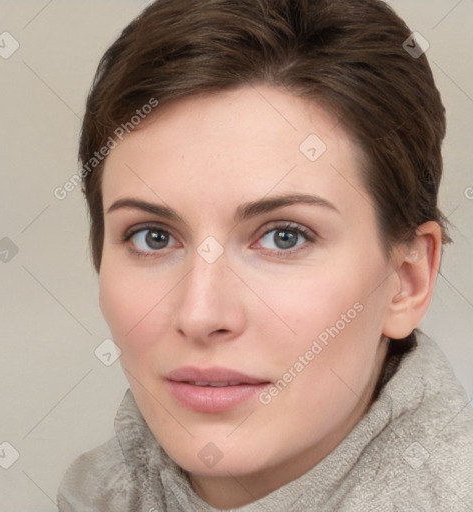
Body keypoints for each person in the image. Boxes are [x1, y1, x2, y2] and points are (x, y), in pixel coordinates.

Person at [57, 0, 473, 510]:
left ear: (407, 282)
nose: (201, 314)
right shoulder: (91, 494)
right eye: (153, 237)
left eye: (284, 237)